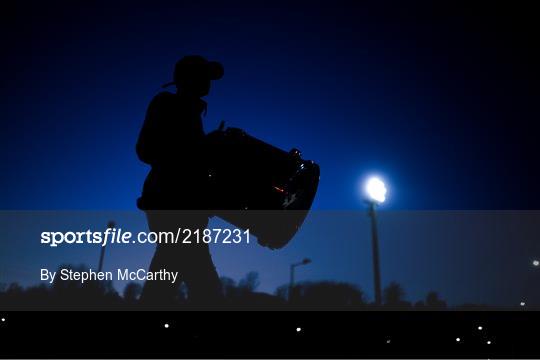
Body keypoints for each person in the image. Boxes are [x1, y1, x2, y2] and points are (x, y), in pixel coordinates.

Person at [136, 55, 224, 308]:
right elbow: (146, 149)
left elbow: (191, 162)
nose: (208, 82)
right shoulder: (166, 104)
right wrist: (204, 147)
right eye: (203, 76)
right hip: (170, 203)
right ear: (186, 79)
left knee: (167, 279)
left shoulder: (193, 113)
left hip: (183, 208)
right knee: (203, 284)